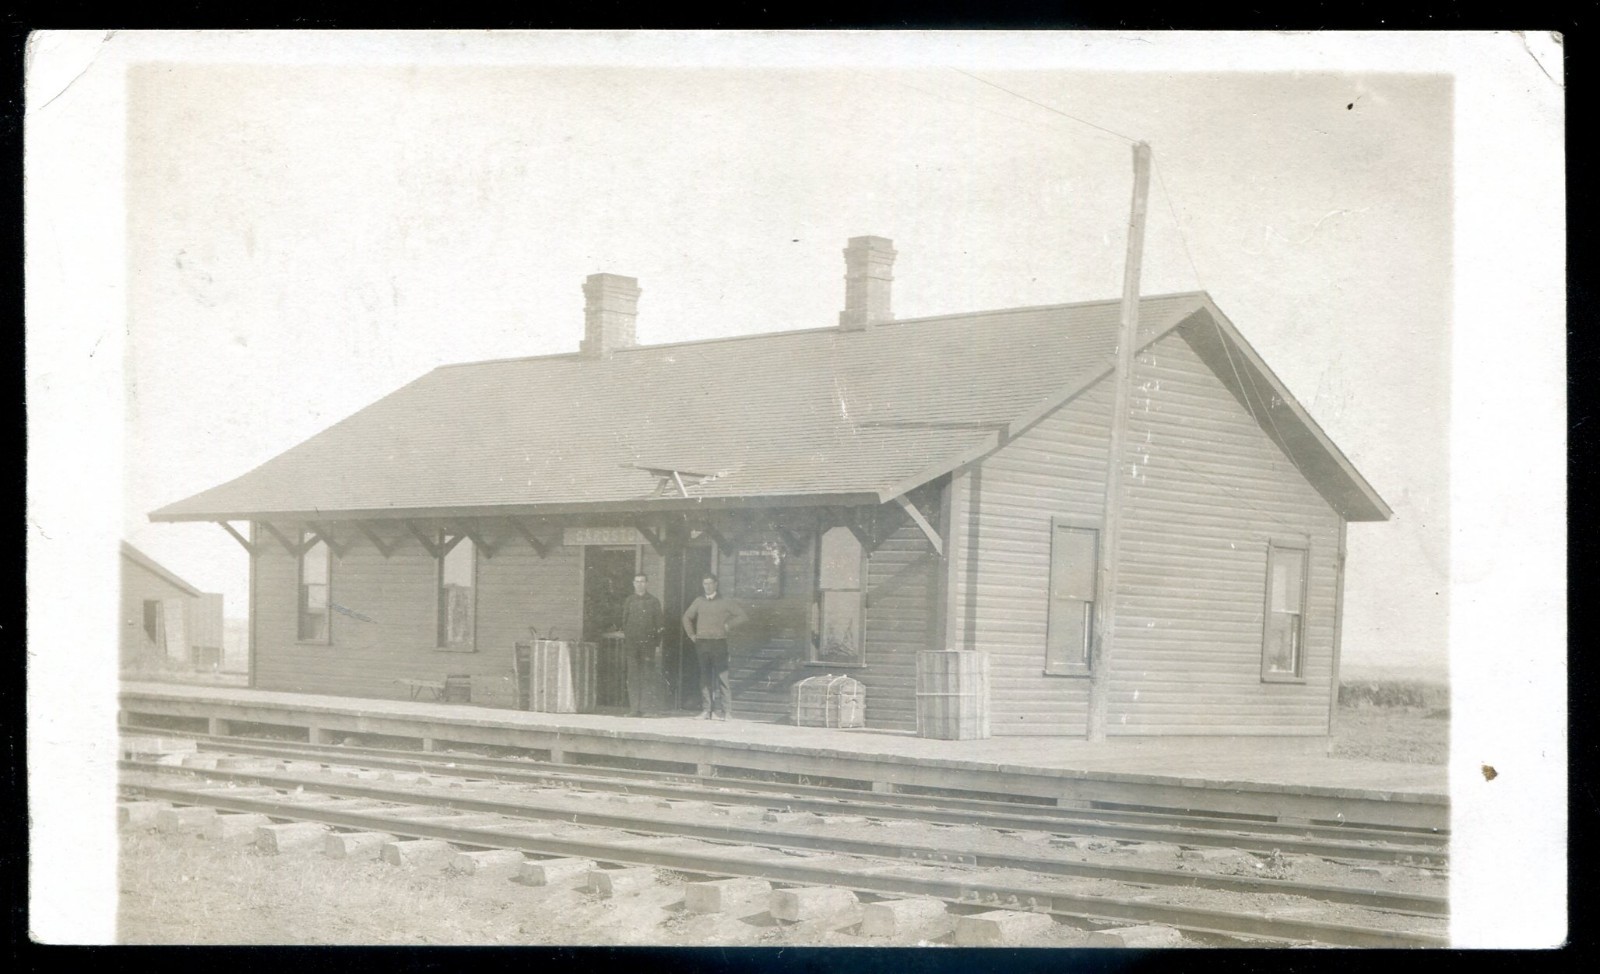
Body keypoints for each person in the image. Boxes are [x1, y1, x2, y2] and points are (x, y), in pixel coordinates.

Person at [681, 573, 747, 720]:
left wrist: (728, 625)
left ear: (716, 584)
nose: (708, 586)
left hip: (719, 643)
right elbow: (686, 617)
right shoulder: (698, 601)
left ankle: (727, 712)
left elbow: (742, 615)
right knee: (705, 677)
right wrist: (692, 635)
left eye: (710, 583)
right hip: (702, 643)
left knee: (722, 677)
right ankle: (707, 710)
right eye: (705, 584)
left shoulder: (725, 601)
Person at [620, 572, 664, 717]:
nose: (640, 584)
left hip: (648, 645)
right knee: (633, 676)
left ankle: (647, 709)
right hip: (632, 646)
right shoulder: (629, 601)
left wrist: (656, 644)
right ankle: (634, 709)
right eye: (637, 581)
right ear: (633, 583)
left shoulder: (654, 601)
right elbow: (624, 622)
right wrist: (629, 639)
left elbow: (660, 625)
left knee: (648, 675)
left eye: (643, 581)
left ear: (647, 584)